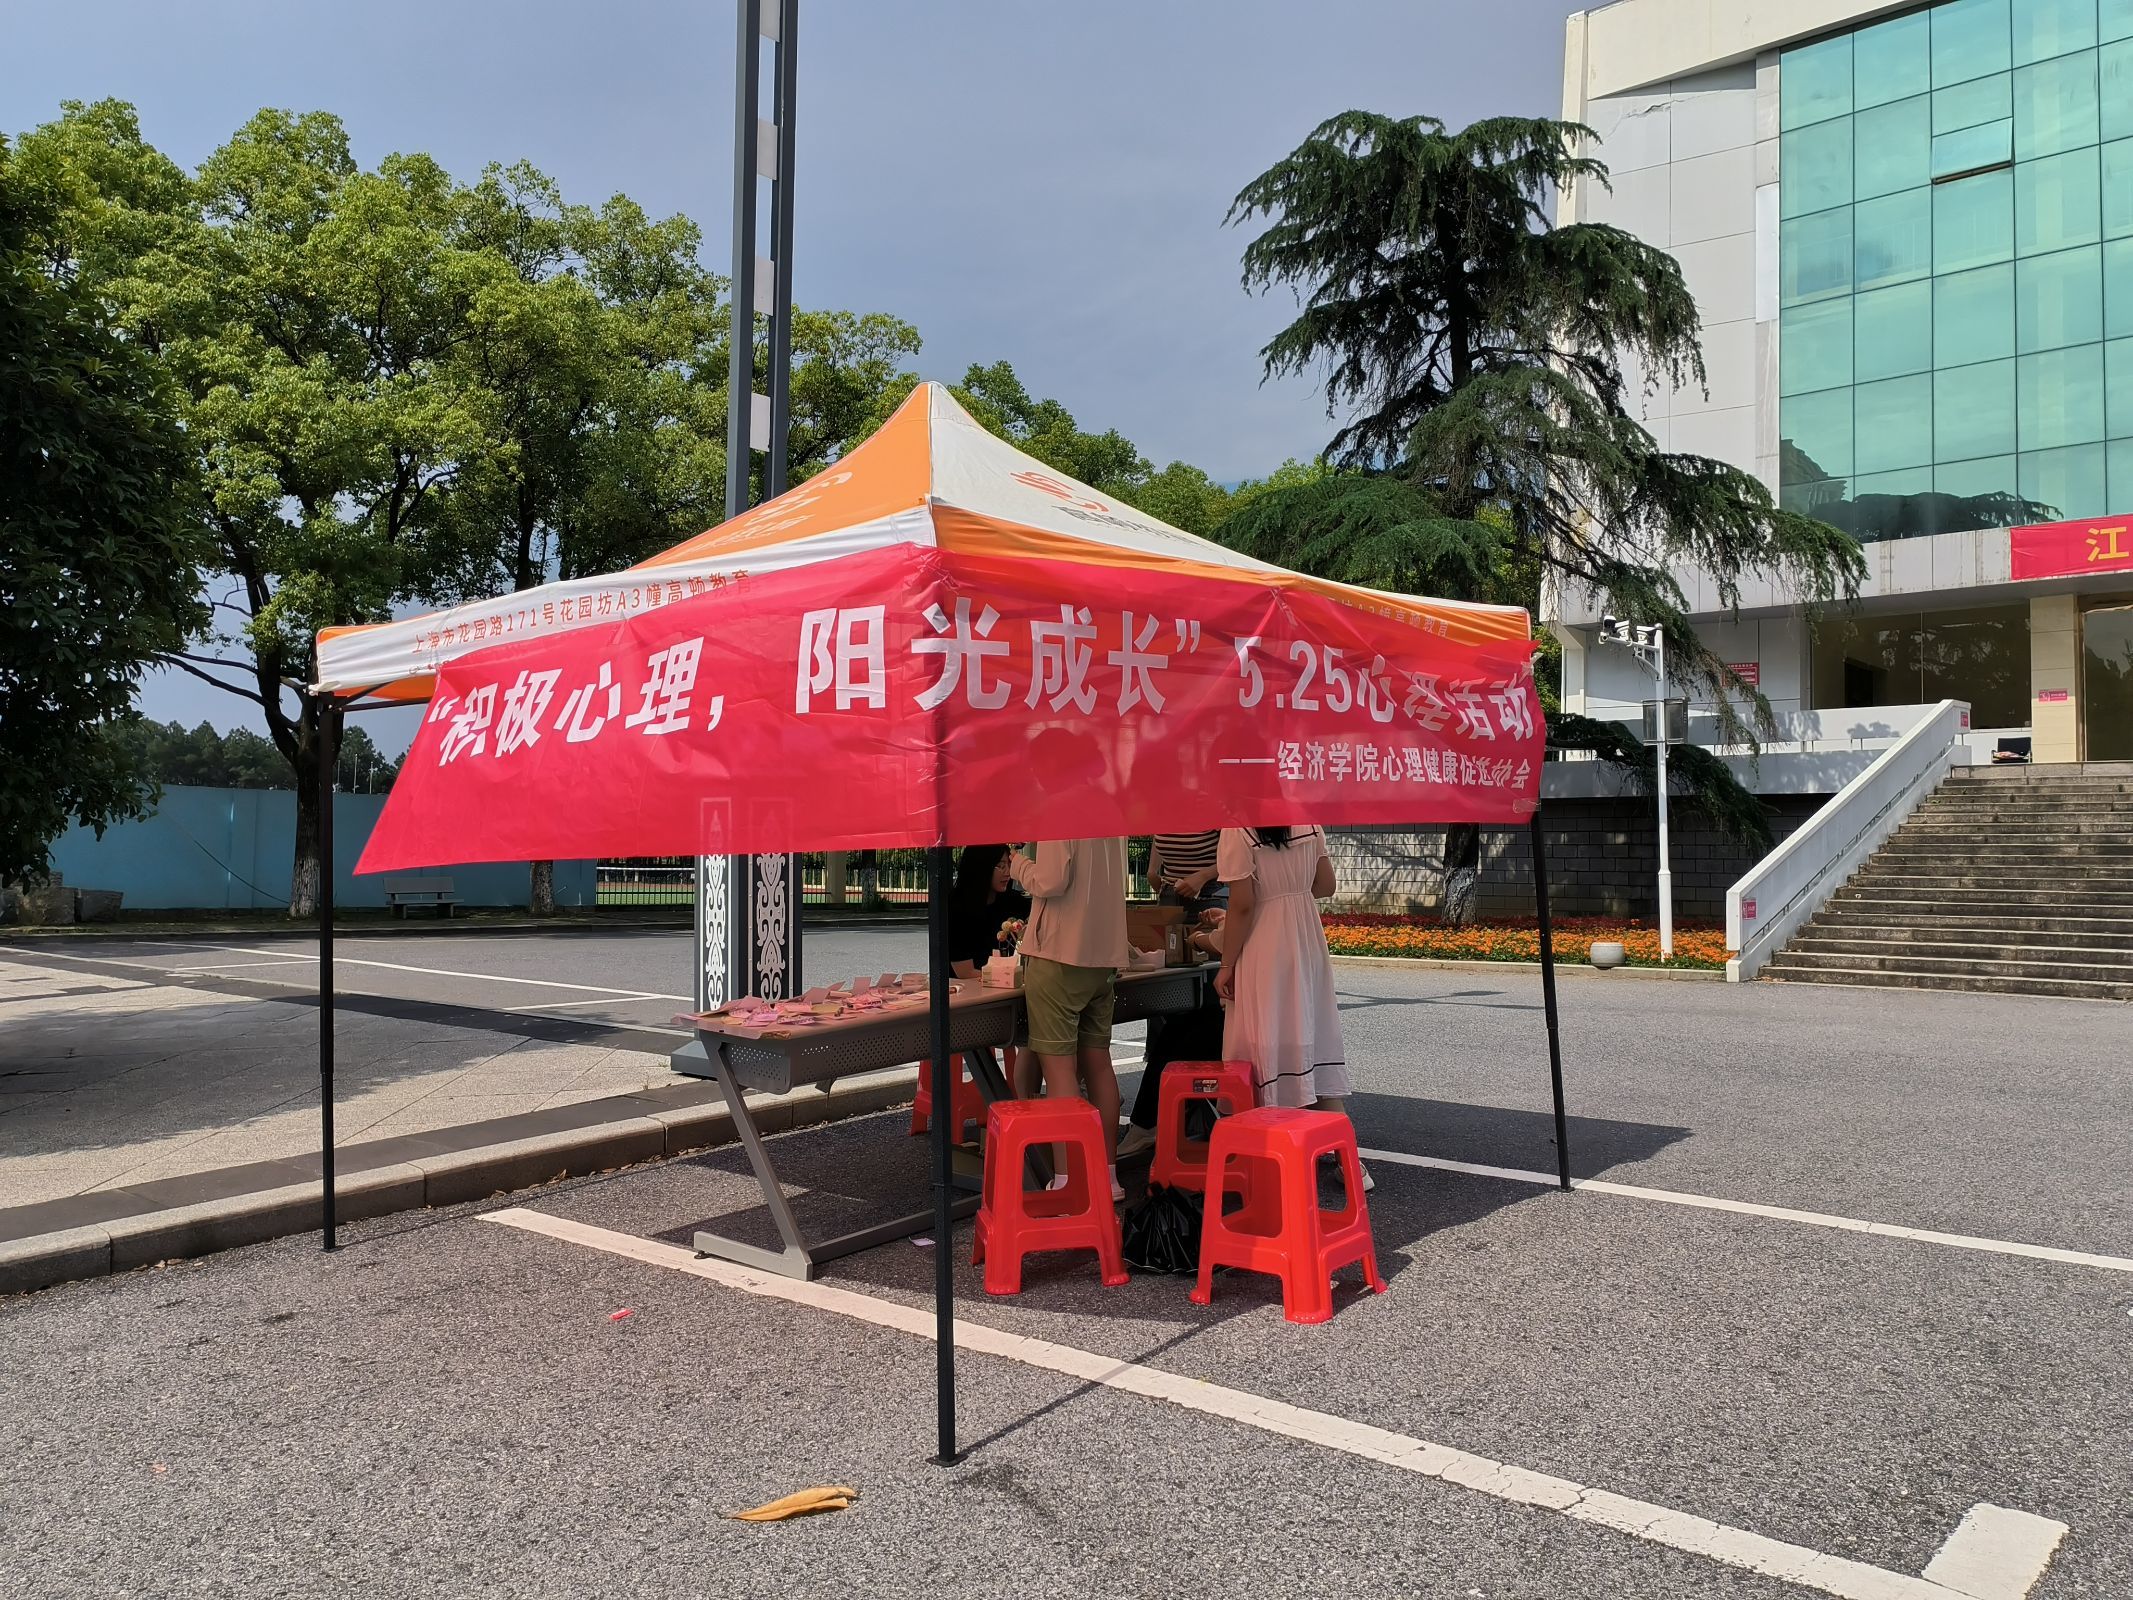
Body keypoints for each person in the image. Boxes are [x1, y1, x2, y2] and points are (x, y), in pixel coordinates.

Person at [1212, 823, 1369, 1189]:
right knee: (1310, 1047)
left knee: (1263, 1048)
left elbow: (1242, 905)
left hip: (1265, 944)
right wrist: (1289, 888)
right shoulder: (1308, 822)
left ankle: (1270, 1165)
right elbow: (1325, 885)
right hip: (1305, 937)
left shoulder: (1238, 829)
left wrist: (1226, 964)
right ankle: (1352, 1166)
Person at [1010, 837, 1130, 1200]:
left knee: (1059, 1071)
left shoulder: (1057, 813)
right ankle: (1108, 1176)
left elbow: (1050, 880)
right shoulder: (1113, 815)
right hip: (1103, 956)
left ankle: (1068, 1180)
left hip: (1059, 954)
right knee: (1099, 1065)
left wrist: (1017, 863)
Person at [946, 844, 1029, 980]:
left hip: (1008, 984)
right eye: (1001, 866)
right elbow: (965, 972)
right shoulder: (957, 907)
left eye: (1009, 865)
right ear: (981, 866)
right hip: (968, 987)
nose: (1008, 872)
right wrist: (1008, 978)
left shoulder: (1013, 901)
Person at [1150, 830, 1226, 919]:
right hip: (1169, 896)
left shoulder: (1217, 822)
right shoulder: (1160, 821)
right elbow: (1160, 840)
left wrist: (1203, 876)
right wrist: (1152, 872)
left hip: (1207, 896)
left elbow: (1234, 860)